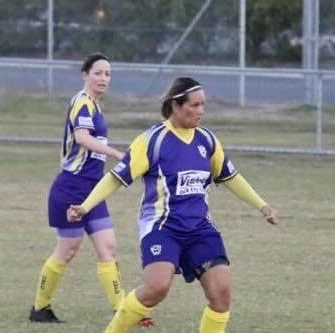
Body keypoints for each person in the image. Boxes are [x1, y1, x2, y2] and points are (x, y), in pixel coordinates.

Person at [66, 77, 279, 333]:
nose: (200, 111)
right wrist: (85, 206)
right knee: (157, 287)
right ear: (176, 105)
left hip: (200, 228)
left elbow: (231, 176)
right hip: (162, 227)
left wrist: (262, 205)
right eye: (195, 105)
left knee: (221, 295)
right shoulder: (152, 141)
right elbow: (115, 178)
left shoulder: (207, 140)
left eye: (203, 105)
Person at [29, 53, 153, 327]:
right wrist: (118, 154)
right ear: (85, 74)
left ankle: (122, 310)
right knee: (67, 250)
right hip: (71, 187)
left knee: (107, 247)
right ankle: (39, 308)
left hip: (93, 190)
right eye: (98, 73)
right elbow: (82, 138)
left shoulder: (96, 106)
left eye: (108, 74)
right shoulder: (82, 103)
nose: (103, 78)